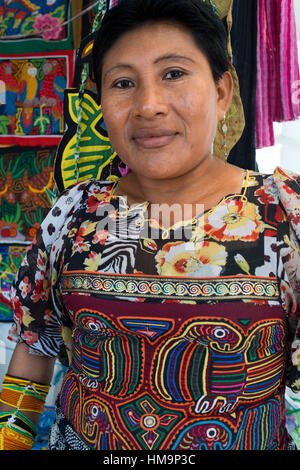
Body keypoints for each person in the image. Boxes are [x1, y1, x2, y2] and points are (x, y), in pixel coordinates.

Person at [0, 0, 300, 451]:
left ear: (222, 92)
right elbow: (34, 343)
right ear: (100, 103)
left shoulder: (284, 213)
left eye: (174, 73)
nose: (148, 105)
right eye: (123, 83)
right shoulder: (75, 211)